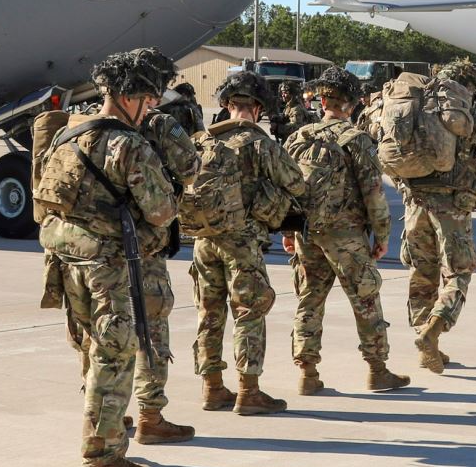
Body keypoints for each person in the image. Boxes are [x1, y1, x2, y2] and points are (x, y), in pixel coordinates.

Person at [36, 49, 177, 467]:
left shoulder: (67, 137)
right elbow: (160, 210)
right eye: (148, 98)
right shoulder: (128, 144)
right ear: (130, 97)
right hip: (110, 265)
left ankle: (107, 426)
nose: (151, 106)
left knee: (91, 352)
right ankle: (101, 454)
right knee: (114, 356)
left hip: (67, 260)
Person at [284, 67, 409, 393]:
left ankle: (307, 372)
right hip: (346, 236)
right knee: (365, 299)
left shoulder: (298, 137)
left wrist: (286, 231)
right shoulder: (357, 140)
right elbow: (374, 194)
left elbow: (284, 187)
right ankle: (377, 369)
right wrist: (382, 236)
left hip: (307, 232)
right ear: (352, 104)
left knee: (309, 298)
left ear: (322, 100)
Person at [191, 71, 305, 415]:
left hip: (203, 241)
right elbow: (297, 184)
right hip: (241, 244)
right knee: (249, 313)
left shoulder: (204, 141)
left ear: (226, 105)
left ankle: (212, 388)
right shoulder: (260, 144)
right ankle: (248, 390)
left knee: (209, 315)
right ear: (258, 108)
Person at [399, 60, 476, 373]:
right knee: (459, 271)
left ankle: (425, 341)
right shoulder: (472, 119)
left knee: (422, 272)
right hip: (452, 207)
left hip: (414, 204)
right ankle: (432, 332)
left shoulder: (417, 113)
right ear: (468, 88)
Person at [125, 50, 198, 442]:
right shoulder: (160, 124)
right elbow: (190, 169)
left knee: (106, 336)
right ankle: (150, 417)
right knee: (151, 331)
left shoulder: (87, 125)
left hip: (96, 251)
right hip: (144, 246)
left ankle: (111, 417)